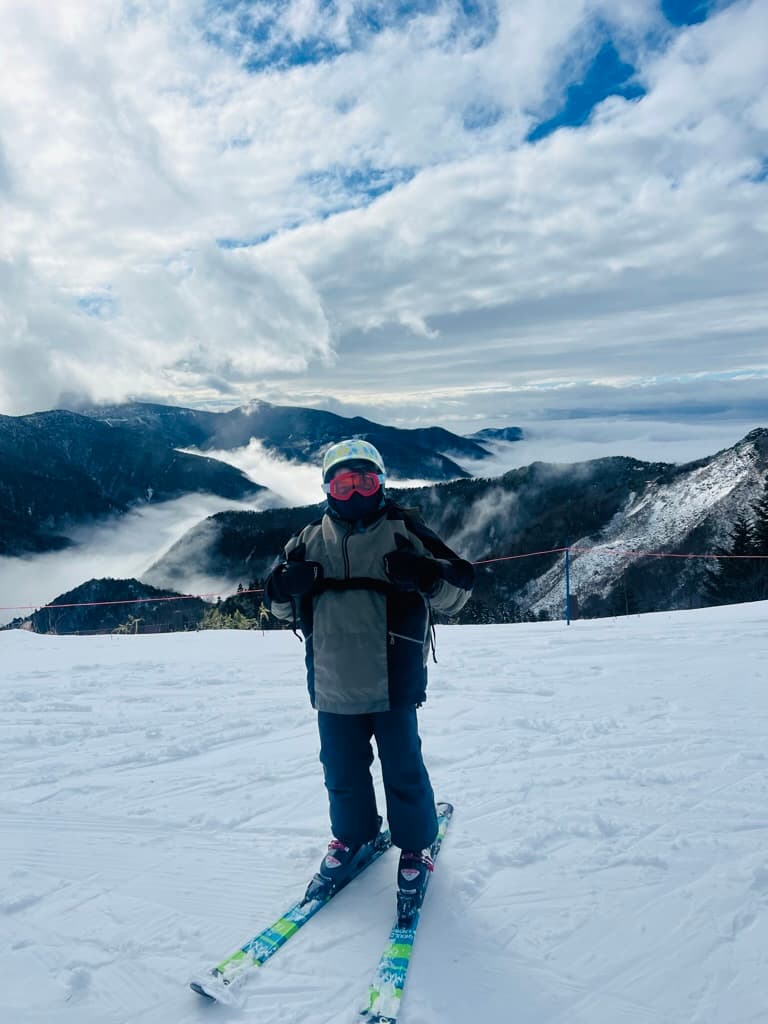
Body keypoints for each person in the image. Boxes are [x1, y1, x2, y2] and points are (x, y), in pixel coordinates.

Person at [263, 438, 474, 920]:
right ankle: (353, 836)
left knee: (403, 768)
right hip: (332, 681)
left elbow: (456, 595)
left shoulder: (405, 531)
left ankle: (416, 845)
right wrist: (281, 587)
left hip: (393, 678)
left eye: (365, 481)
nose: (355, 491)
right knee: (342, 771)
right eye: (344, 482)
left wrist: (425, 574)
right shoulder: (307, 539)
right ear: (327, 488)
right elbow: (277, 609)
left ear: (381, 483)